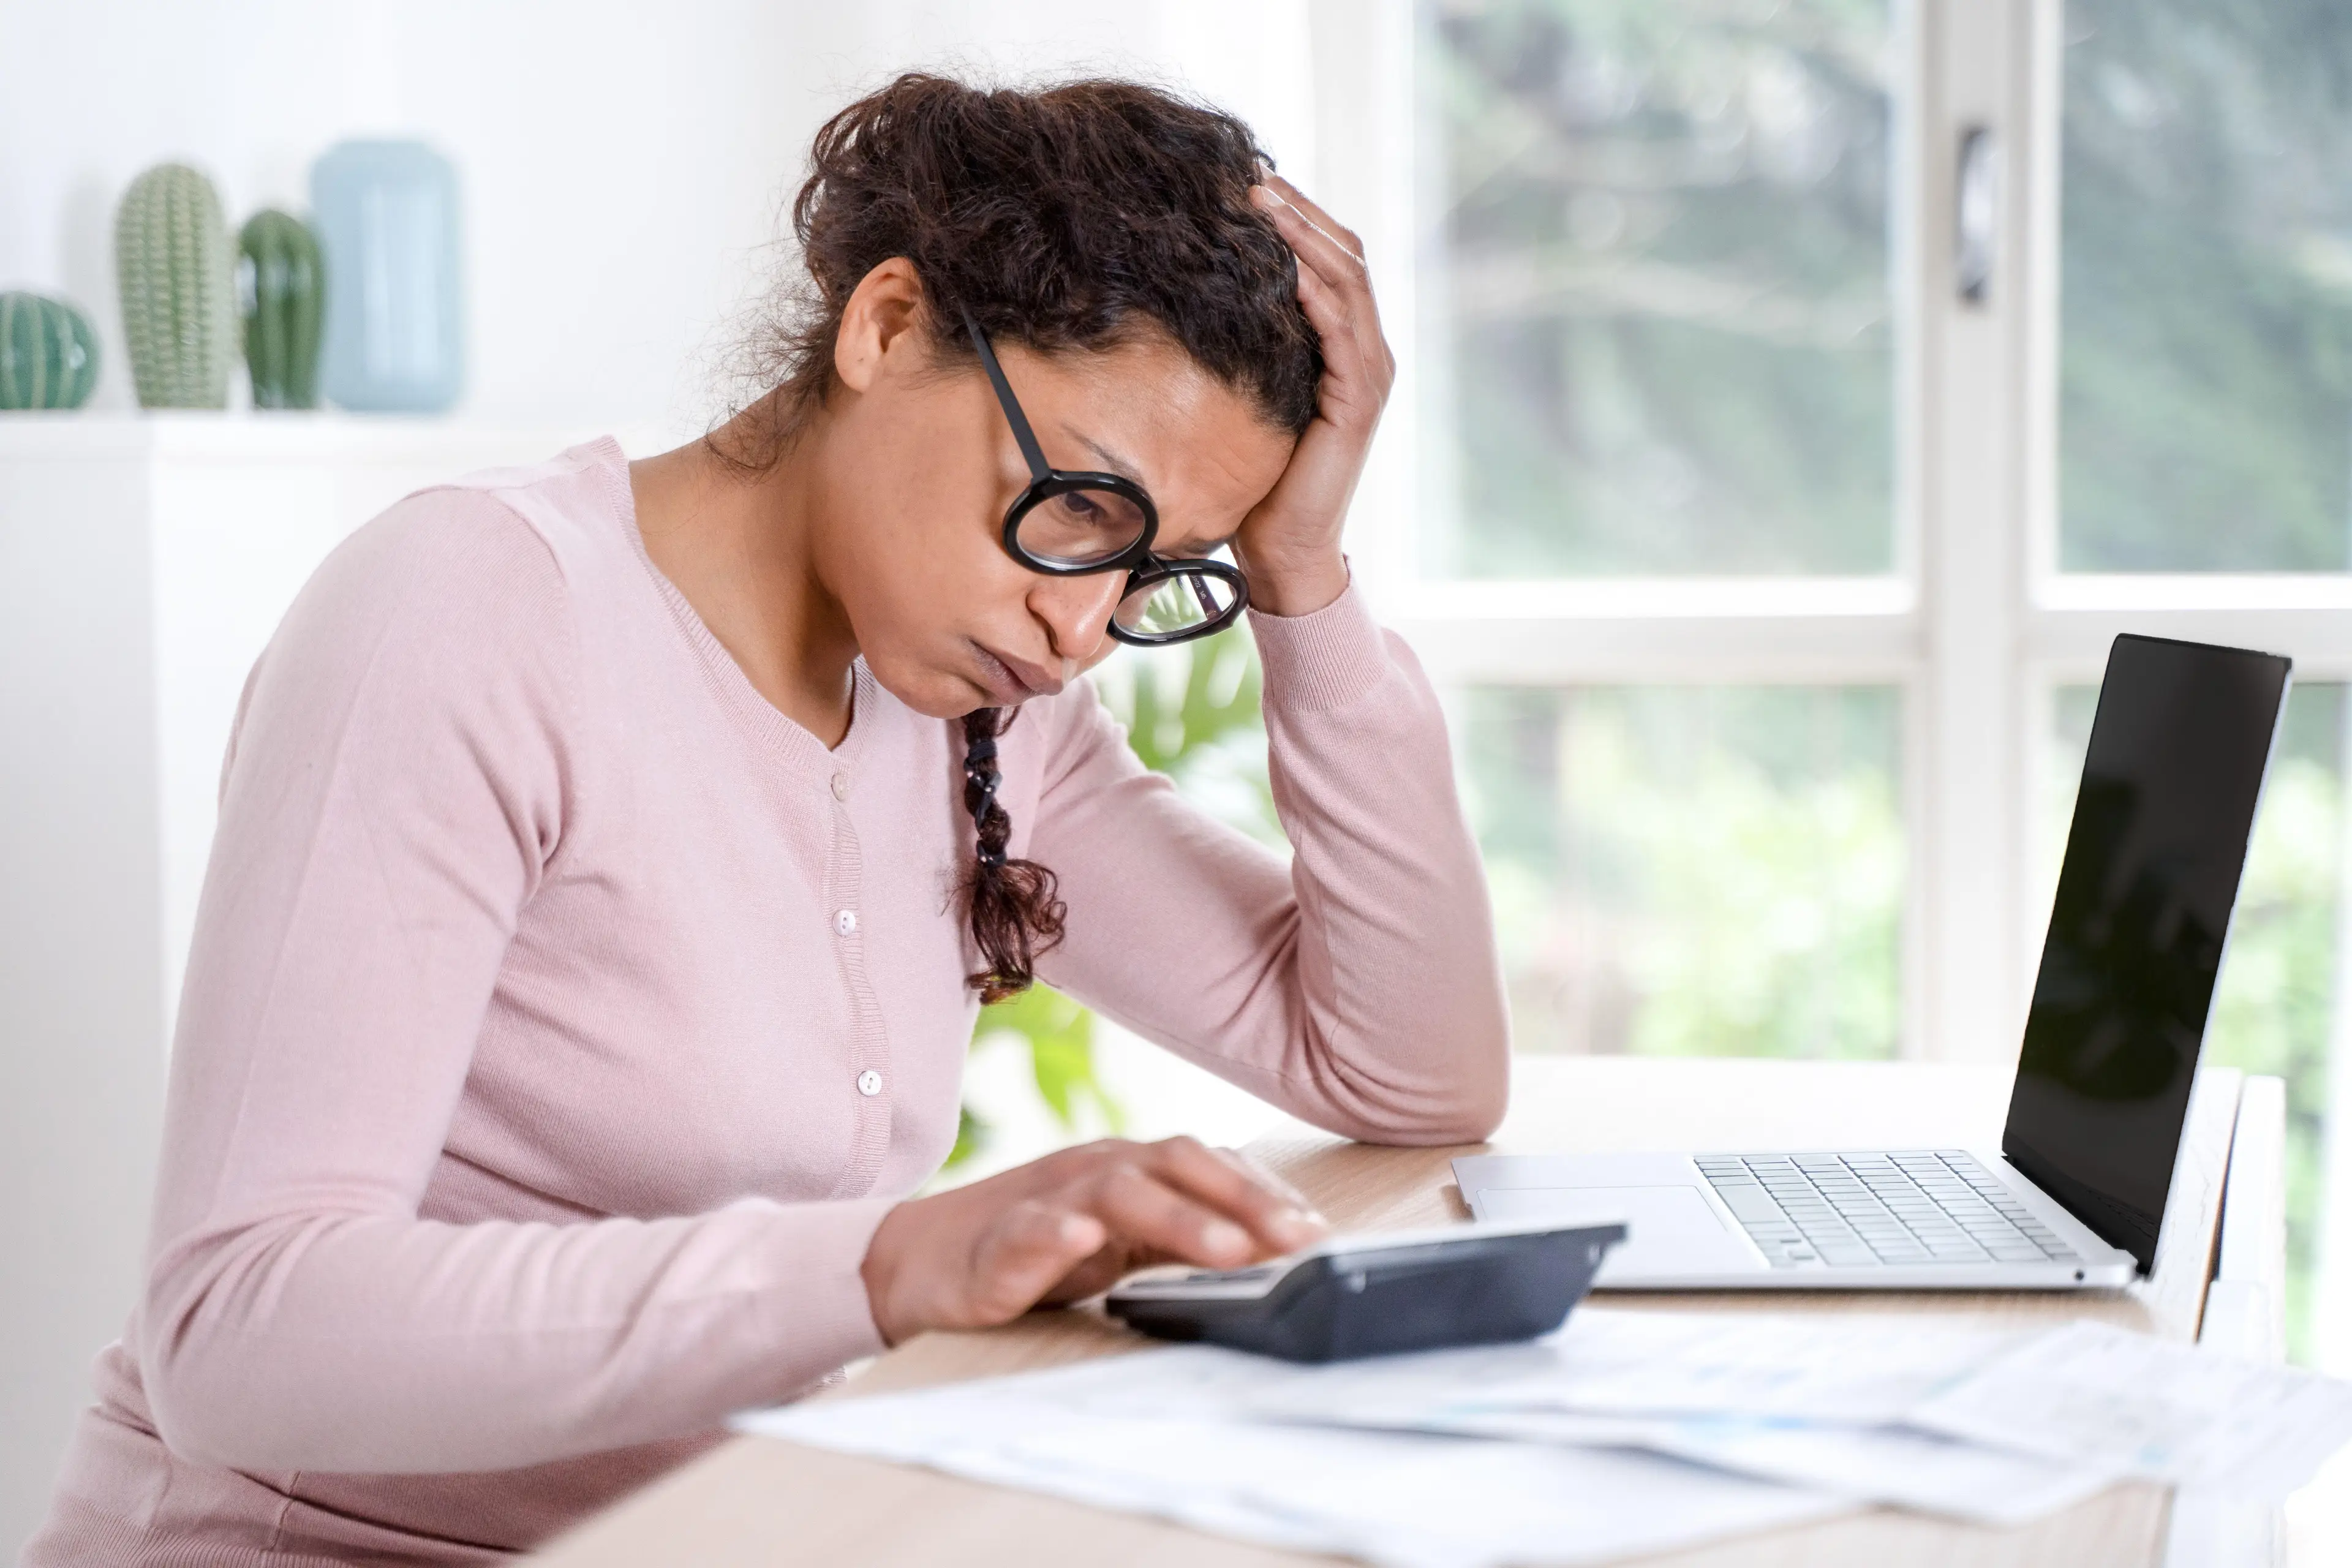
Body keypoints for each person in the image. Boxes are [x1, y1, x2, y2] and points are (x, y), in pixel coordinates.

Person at [24, 73, 1508, 1566]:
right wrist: (889, 1263)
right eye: (1078, 506)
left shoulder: (987, 713)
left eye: (1158, 572)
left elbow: (1409, 1066)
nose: (1084, 628)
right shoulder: (471, 613)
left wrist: (1303, 572)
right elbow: (237, 1331)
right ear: (885, 324)